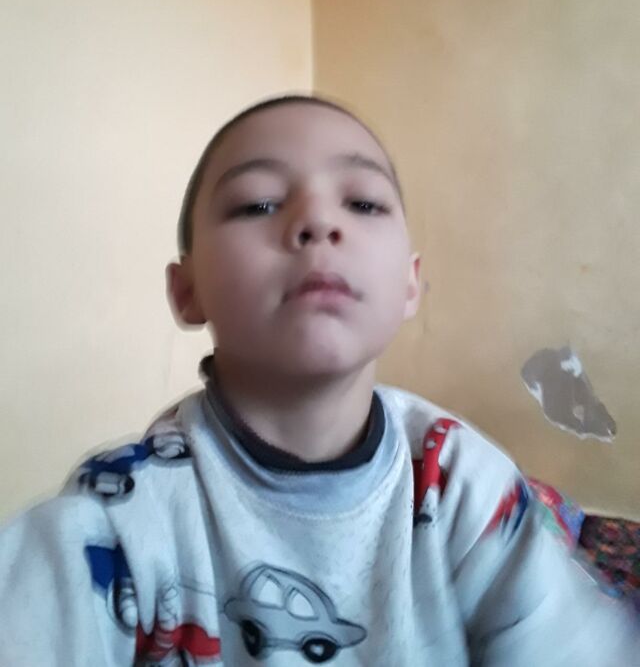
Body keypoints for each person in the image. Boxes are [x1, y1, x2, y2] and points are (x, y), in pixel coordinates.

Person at [0, 94, 637, 666]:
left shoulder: (464, 482)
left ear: (410, 283)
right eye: (258, 203)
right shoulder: (117, 521)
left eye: (363, 203)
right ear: (186, 289)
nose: (318, 223)